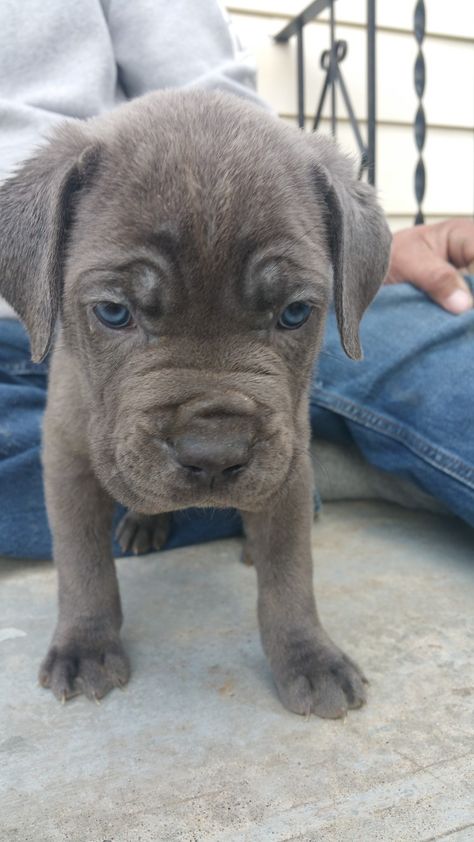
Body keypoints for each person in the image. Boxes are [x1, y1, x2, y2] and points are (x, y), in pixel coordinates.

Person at [0, 0, 473, 560]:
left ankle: (290, 457)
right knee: (75, 453)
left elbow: (220, 98)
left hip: (248, 274)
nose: (214, 446)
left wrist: (326, 247)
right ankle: (312, 465)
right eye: (117, 310)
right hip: (40, 310)